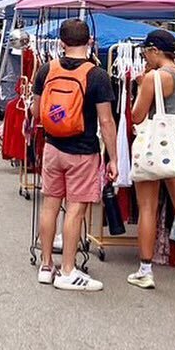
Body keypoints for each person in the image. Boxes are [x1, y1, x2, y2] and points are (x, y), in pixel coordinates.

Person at [32, 18, 117, 291]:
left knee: (50, 205)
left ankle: (46, 266)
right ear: (90, 41)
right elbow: (106, 122)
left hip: (52, 147)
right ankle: (68, 270)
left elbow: (36, 112)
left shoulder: (46, 70)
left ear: (61, 42)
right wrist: (113, 158)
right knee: (76, 209)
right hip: (83, 151)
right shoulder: (97, 75)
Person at [127, 29, 175, 289]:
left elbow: (137, 115)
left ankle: (145, 270)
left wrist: (139, 87)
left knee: (148, 208)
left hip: (155, 145)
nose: (144, 58)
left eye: (144, 53)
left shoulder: (154, 77)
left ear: (154, 50)